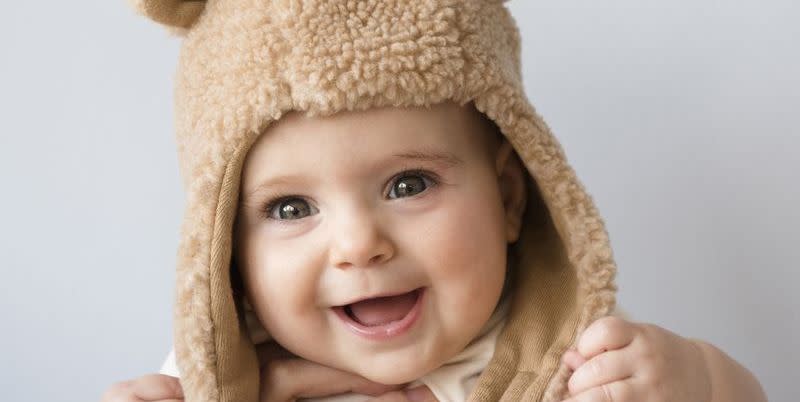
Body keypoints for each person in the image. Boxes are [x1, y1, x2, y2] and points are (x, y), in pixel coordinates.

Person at [104, 1, 768, 401]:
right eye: (290, 209)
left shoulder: (567, 346)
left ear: (509, 197)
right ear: (224, 247)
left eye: (408, 184)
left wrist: (699, 379)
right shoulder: (217, 373)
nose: (358, 244)